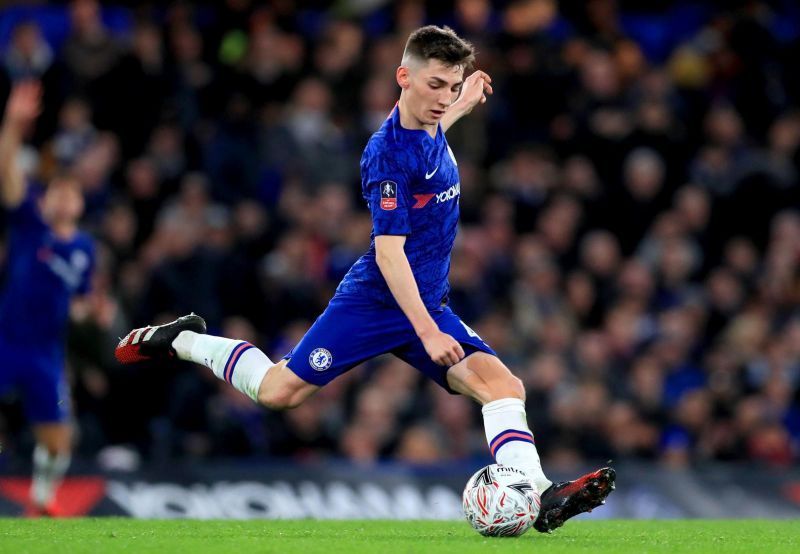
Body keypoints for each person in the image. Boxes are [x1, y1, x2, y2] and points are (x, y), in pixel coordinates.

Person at [115, 25, 614, 531]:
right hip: (376, 303)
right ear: (404, 77)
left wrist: (466, 100)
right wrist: (426, 330)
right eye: (436, 85)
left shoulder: (433, 120)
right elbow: (390, 254)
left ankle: (541, 494)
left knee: (504, 387)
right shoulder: (387, 155)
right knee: (277, 392)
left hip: (428, 303)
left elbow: (441, 123)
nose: (444, 97)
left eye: (452, 84)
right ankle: (187, 341)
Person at [0, 81, 95, 515]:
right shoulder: (28, 225)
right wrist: (14, 126)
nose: (61, 199)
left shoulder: (84, 250)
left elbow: (80, 298)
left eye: (69, 194)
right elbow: (8, 177)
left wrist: (89, 310)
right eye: (55, 192)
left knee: (59, 442)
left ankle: (40, 497)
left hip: (46, 352)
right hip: (5, 339)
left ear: (78, 204)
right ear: (47, 199)